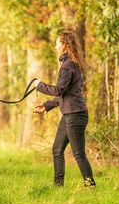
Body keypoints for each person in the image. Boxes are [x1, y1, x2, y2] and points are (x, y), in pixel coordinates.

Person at [33, 30, 96, 188]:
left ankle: (91, 187)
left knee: (78, 154)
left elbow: (58, 90)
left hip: (75, 116)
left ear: (65, 46)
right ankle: (58, 186)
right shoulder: (70, 64)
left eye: (57, 44)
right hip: (70, 115)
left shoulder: (67, 66)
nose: (55, 47)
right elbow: (65, 94)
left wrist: (38, 85)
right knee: (57, 149)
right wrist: (46, 106)